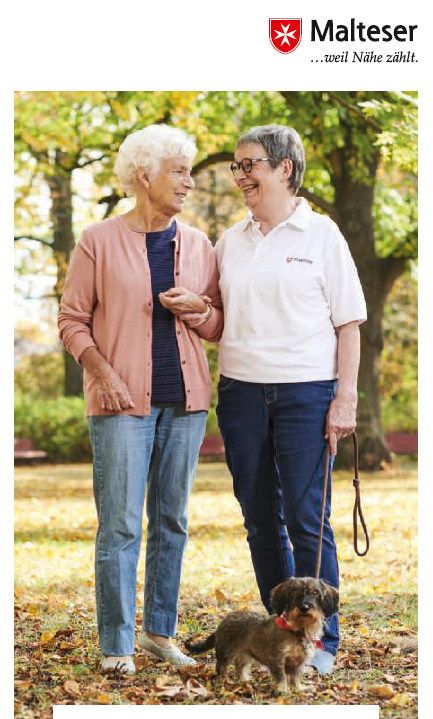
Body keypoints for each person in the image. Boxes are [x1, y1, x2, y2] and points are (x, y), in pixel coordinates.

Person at [58, 124, 223, 674]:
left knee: (171, 520)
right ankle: (116, 644)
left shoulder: (199, 245)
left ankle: (159, 632)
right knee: (122, 524)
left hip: (187, 403)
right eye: (179, 171)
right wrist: (100, 372)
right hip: (120, 402)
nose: (189, 183)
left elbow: (218, 323)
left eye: (190, 172)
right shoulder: (97, 240)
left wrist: (199, 310)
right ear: (144, 174)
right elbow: (72, 320)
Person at [215, 124, 367, 675]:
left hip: (307, 392)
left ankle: (321, 644)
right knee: (259, 518)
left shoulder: (323, 235)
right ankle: (280, 635)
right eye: (236, 166)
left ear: (284, 168)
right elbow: (217, 317)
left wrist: (344, 397)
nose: (241, 176)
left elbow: (349, 324)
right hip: (240, 393)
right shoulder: (230, 240)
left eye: (249, 164)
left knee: (308, 518)